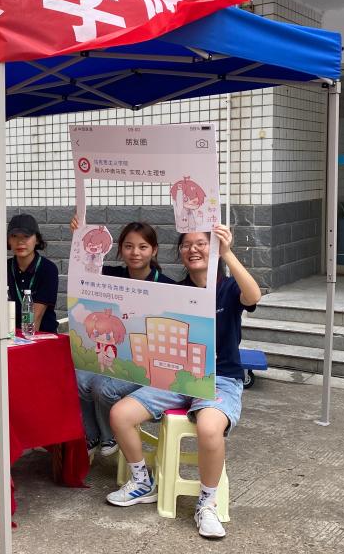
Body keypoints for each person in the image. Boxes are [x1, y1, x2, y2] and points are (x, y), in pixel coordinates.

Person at [106, 224, 261, 540]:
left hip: (220, 380)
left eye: (201, 243)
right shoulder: (175, 293)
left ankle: (207, 503)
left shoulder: (228, 288)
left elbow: (253, 295)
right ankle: (142, 482)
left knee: (208, 428)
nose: (193, 249)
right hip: (177, 377)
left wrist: (228, 253)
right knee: (120, 414)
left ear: (213, 249)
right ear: (179, 252)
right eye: (187, 245)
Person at [69, 217, 177, 459]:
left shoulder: (168, 287)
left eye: (142, 247)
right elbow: (82, 271)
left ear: (154, 250)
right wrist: (79, 238)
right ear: (120, 249)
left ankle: (109, 436)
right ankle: (93, 434)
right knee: (78, 377)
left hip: (143, 364)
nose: (135, 252)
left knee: (102, 387)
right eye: (128, 246)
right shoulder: (109, 275)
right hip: (109, 356)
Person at [6, 214, 59, 334]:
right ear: (8, 240)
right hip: (9, 334)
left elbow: (36, 317)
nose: (20, 241)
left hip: (40, 336)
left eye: (26, 236)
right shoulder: (4, 268)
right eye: (14, 236)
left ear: (37, 240)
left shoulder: (48, 269)